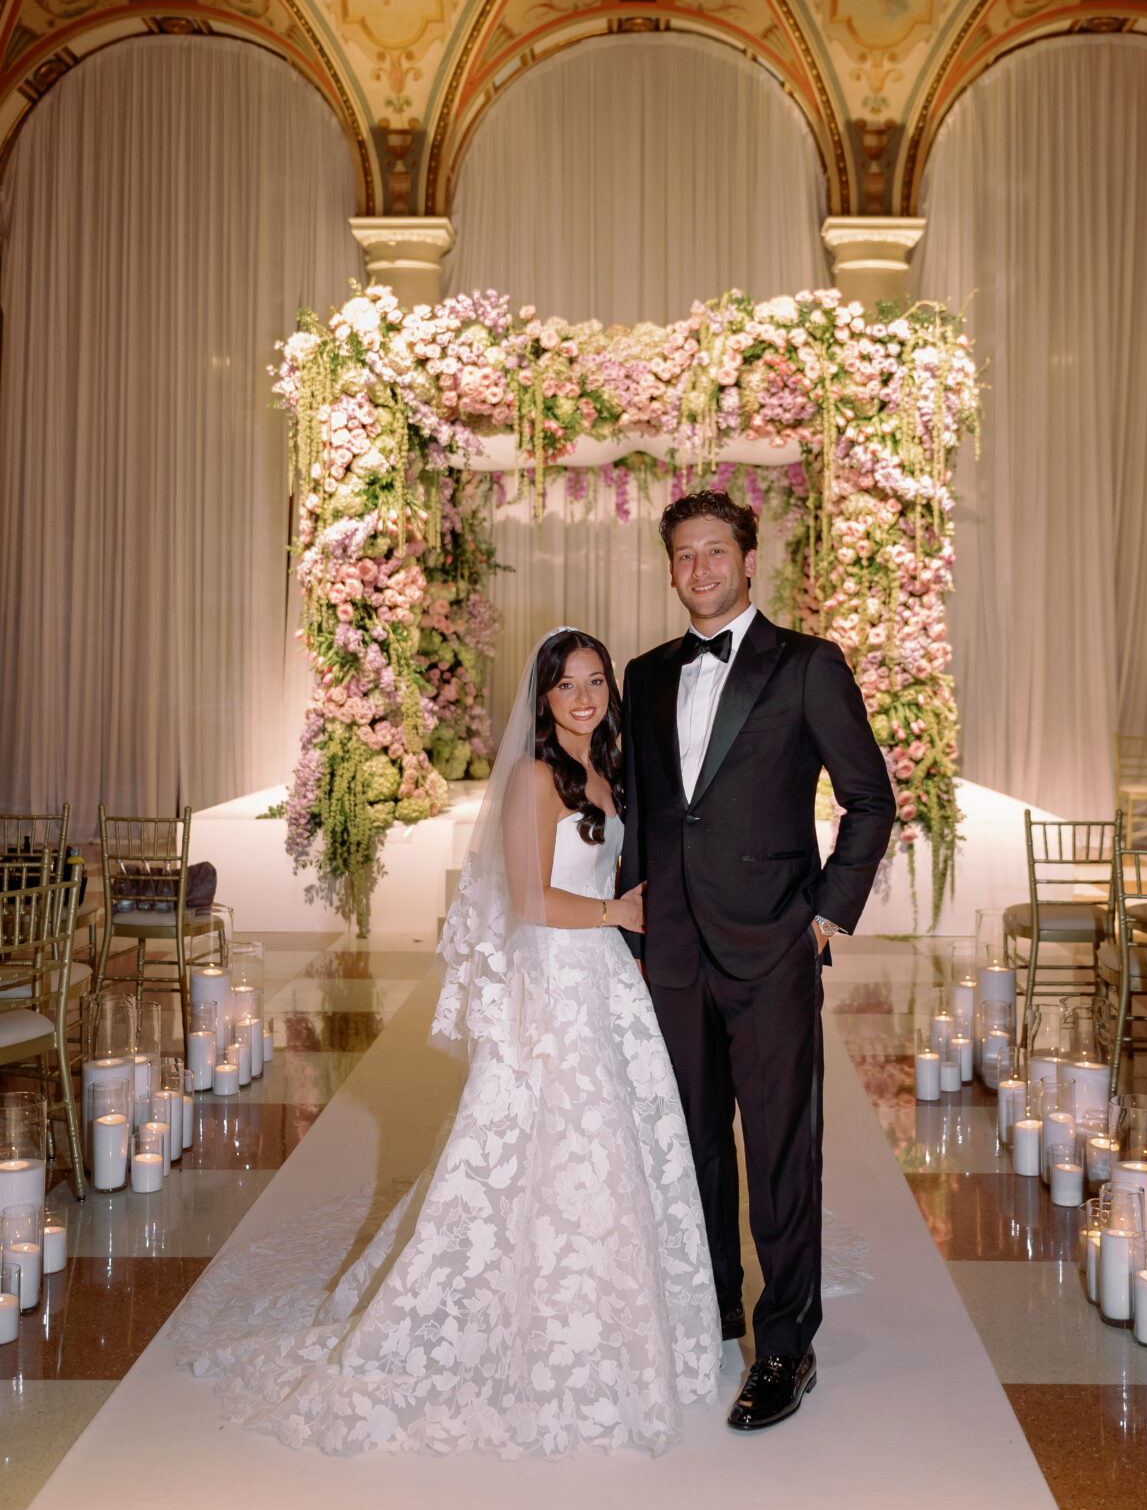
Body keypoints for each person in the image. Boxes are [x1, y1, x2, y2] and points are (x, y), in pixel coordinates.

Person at [173, 628, 719, 1458]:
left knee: (611, 1148)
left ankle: (602, 1310)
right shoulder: (535, 779)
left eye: (596, 681)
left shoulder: (604, 772)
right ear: (541, 696)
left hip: (600, 977)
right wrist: (615, 914)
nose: (583, 696)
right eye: (566, 683)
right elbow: (531, 903)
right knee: (557, 1140)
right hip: (553, 981)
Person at [619, 492, 895, 1431]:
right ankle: (712, 1311)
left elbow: (870, 801)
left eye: (715, 552)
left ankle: (784, 1345)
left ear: (747, 562)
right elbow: (647, 816)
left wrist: (822, 918)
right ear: (669, 569)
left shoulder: (808, 666)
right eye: (683, 555)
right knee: (690, 1143)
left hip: (773, 944)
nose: (699, 570)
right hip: (673, 955)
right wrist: (631, 935)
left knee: (780, 1151)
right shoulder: (647, 674)